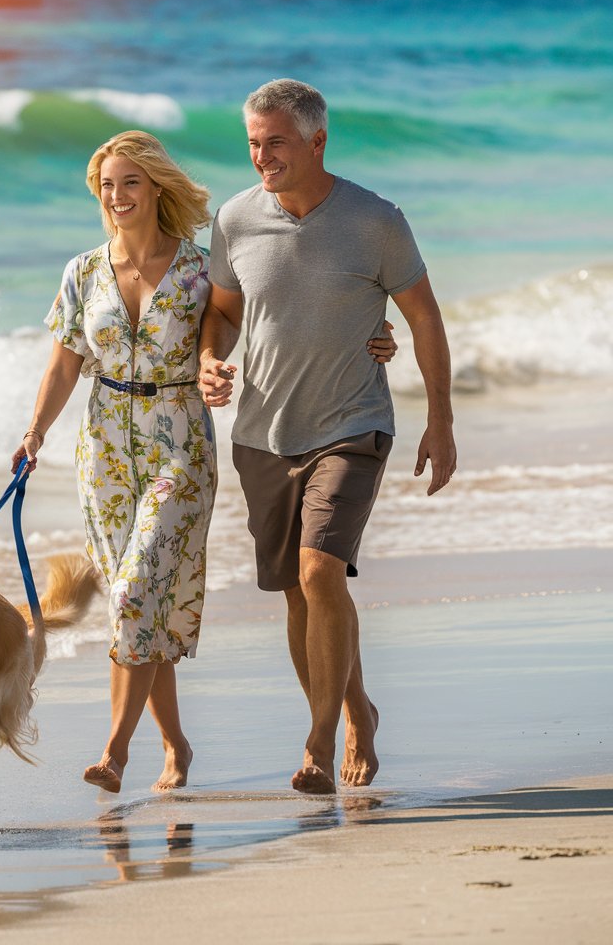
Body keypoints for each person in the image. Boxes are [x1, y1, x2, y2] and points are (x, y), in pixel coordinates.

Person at [13, 129, 399, 794]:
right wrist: (34, 433)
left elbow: (286, 306)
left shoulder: (200, 268)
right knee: (137, 608)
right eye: (107, 183)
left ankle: (115, 751)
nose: (117, 194)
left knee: (137, 590)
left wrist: (373, 330)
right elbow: (64, 363)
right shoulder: (82, 271)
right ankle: (175, 744)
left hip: (178, 441)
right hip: (103, 446)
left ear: (157, 188)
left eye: (131, 181)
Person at [198, 79, 457, 796]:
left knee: (319, 571)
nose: (261, 156)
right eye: (253, 142)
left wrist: (442, 418)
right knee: (297, 593)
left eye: (275, 141)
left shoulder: (375, 220)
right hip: (262, 432)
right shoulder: (234, 220)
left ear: (317, 141)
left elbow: (425, 318)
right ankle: (357, 711)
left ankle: (318, 737)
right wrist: (208, 360)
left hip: (352, 424)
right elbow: (221, 314)